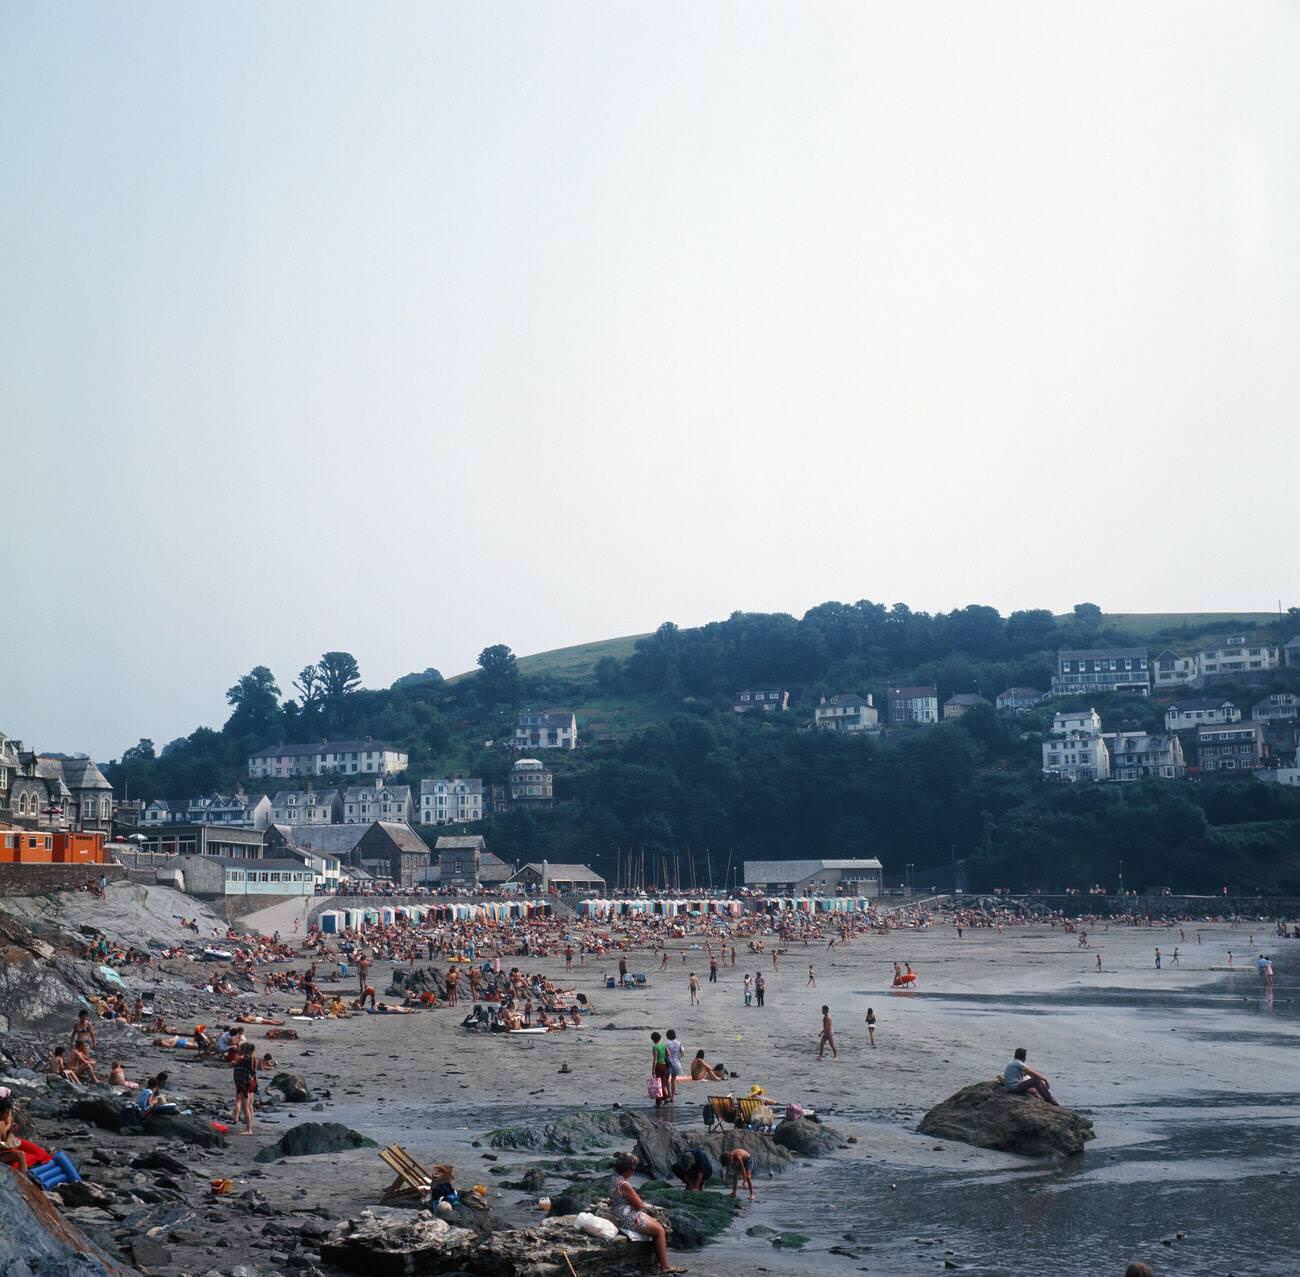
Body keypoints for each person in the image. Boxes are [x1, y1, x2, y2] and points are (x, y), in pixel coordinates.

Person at [609, 1152, 686, 1273]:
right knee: (660, 1231)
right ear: (630, 1170)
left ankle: (658, 1261)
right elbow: (639, 1205)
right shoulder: (624, 1184)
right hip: (627, 1217)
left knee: (656, 1223)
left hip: (618, 1213)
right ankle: (665, 1266)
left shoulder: (614, 1178)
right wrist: (641, 1202)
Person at [233, 1042, 257, 1135]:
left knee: (245, 1107)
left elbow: (235, 1061)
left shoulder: (243, 1058)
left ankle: (249, 1129)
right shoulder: (254, 1059)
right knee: (250, 1105)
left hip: (244, 1084)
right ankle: (250, 1125)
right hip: (252, 1083)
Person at [650, 1032, 671, 1108]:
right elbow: (669, 1054)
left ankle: (659, 1101)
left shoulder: (655, 1047)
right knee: (663, 1082)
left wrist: (652, 1070)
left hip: (658, 1066)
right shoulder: (663, 1045)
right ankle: (665, 1098)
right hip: (665, 1065)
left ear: (653, 1039)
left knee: (658, 1084)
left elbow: (655, 1059)